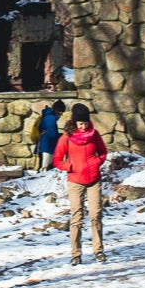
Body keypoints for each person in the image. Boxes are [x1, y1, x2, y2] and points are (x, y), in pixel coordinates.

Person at [53, 101, 107, 264]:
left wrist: (97, 162)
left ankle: (98, 251)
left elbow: (103, 152)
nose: (83, 127)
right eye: (80, 123)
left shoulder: (94, 134)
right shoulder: (66, 138)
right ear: (74, 123)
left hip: (94, 180)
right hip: (75, 181)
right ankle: (76, 253)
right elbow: (56, 160)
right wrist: (69, 166)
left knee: (95, 215)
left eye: (85, 123)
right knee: (77, 217)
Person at [36, 99, 67, 172]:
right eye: (61, 113)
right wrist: (61, 136)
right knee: (44, 168)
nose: (61, 115)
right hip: (47, 146)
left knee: (44, 166)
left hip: (44, 145)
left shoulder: (47, 116)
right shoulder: (51, 118)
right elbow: (52, 134)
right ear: (58, 111)